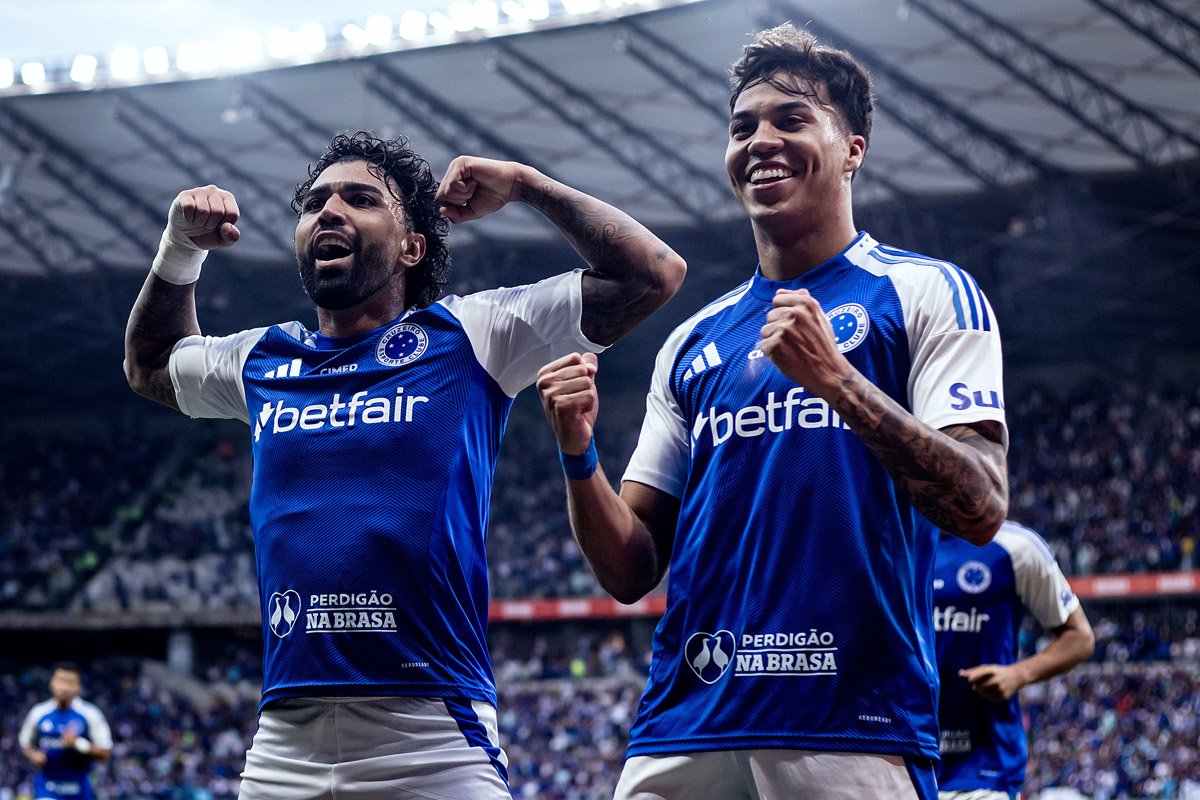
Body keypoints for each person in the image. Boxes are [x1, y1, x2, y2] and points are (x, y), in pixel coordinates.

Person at [123, 131, 685, 799]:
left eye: (359, 199)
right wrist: (179, 247)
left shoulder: (474, 335)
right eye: (314, 202)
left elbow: (651, 274)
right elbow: (150, 364)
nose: (328, 211)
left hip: (433, 741)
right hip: (283, 751)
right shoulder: (262, 362)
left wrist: (527, 184)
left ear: (412, 246)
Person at [535, 24, 1008, 800]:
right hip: (684, 722)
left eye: (791, 119)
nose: (761, 140)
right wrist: (577, 453)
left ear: (853, 149)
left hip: (849, 726)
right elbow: (628, 570)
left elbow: (982, 507)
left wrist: (837, 383)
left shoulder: (926, 292)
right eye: (742, 125)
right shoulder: (693, 340)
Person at [934, 520, 1095, 799]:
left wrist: (1017, 675)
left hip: (984, 770)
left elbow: (1080, 638)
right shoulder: (892, 538)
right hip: (904, 760)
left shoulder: (1016, 546)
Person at [19, 662, 113, 800]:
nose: (64, 687)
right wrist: (33, 755)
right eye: (61, 680)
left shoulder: (91, 714)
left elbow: (106, 753)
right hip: (47, 787)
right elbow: (24, 743)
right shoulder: (38, 713)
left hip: (79, 789)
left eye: (70, 682)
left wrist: (78, 744)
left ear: (78, 687)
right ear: (52, 683)